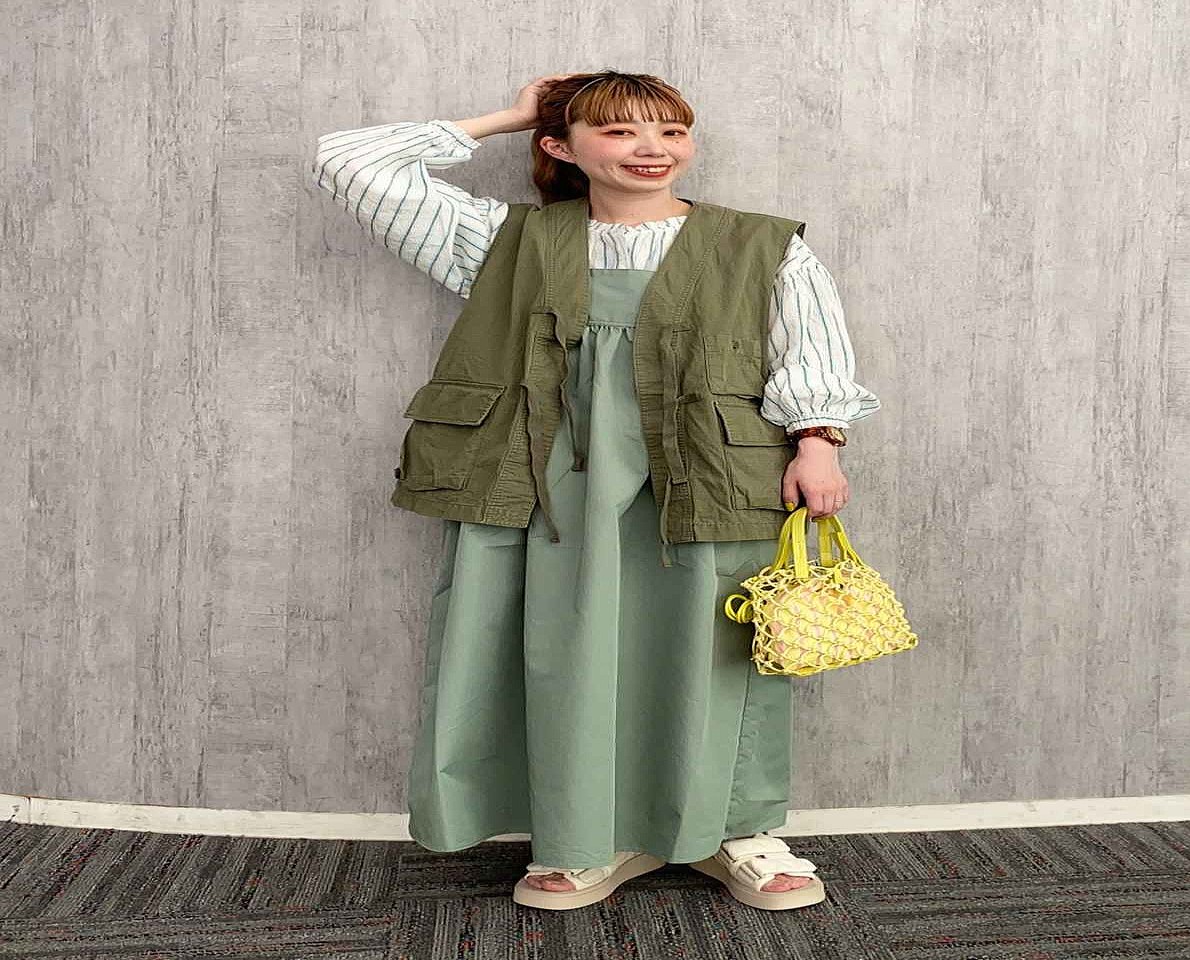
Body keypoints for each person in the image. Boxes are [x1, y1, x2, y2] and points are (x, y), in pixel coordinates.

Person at [312, 70, 880, 912]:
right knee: (563, 649)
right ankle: (584, 835)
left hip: (709, 469)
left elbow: (810, 347)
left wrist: (818, 442)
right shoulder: (501, 240)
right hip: (541, 478)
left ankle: (735, 829)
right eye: (619, 130)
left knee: (717, 649)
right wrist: (510, 115)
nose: (652, 148)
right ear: (562, 146)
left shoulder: (761, 244)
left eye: (670, 131)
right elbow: (348, 162)